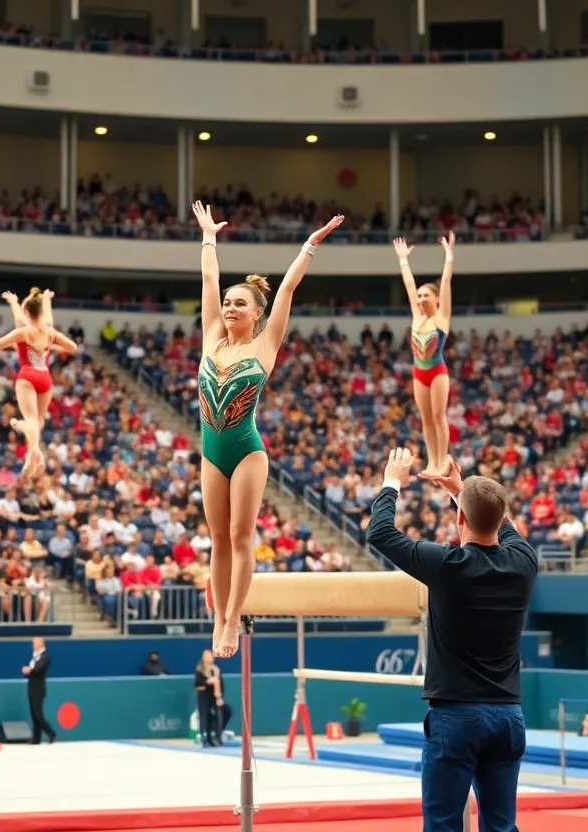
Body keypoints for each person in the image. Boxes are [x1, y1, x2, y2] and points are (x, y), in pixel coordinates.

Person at [191, 200, 344, 658]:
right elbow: (208, 280)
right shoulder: (211, 338)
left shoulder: (265, 344)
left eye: (240, 303)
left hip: (247, 452)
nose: (229, 306)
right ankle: (219, 616)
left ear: (256, 313)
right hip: (211, 452)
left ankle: (233, 619)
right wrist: (209, 237)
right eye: (227, 303)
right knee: (217, 539)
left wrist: (309, 246)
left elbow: (288, 290)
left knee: (240, 535)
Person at [366, 449, 537, 832]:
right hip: (509, 716)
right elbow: (499, 523)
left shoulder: (447, 565)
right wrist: (462, 491)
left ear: (459, 517)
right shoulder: (524, 562)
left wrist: (392, 479)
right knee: (501, 826)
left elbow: (380, 533)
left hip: (459, 718)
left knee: (443, 825)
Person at [0, 289, 78, 479]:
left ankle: (34, 451)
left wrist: (10, 342)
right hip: (45, 378)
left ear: (27, 313)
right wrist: (46, 301)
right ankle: (29, 444)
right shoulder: (50, 331)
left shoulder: (23, 332)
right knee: (37, 420)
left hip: (27, 375)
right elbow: (73, 348)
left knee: (30, 419)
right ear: (41, 313)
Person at [393, 233, 456, 479]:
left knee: (439, 416)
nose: (420, 299)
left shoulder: (441, 318)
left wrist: (449, 256)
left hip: (437, 372)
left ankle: (443, 460)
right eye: (418, 296)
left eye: (425, 296)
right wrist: (403, 260)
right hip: (419, 373)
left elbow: (447, 281)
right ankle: (432, 461)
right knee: (426, 418)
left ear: (436, 299)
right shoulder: (417, 316)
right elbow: (409, 285)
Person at [22, 637, 57, 744]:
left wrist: (29, 670)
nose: (33, 645)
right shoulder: (34, 657)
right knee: (33, 714)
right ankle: (36, 738)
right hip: (31, 687)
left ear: (41, 644)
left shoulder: (45, 657)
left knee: (38, 714)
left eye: (35, 643)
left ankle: (51, 733)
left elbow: (38, 669)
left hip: (38, 688)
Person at [195, 649, 224, 747]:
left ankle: (215, 737)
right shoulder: (200, 670)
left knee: (215, 717)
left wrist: (219, 697)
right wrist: (208, 682)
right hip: (203, 697)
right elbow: (198, 685)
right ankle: (204, 737)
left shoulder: (216, 670)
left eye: (210, 656)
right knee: (204, 717)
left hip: (213, 697)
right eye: (206, 656)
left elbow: (220, 683)